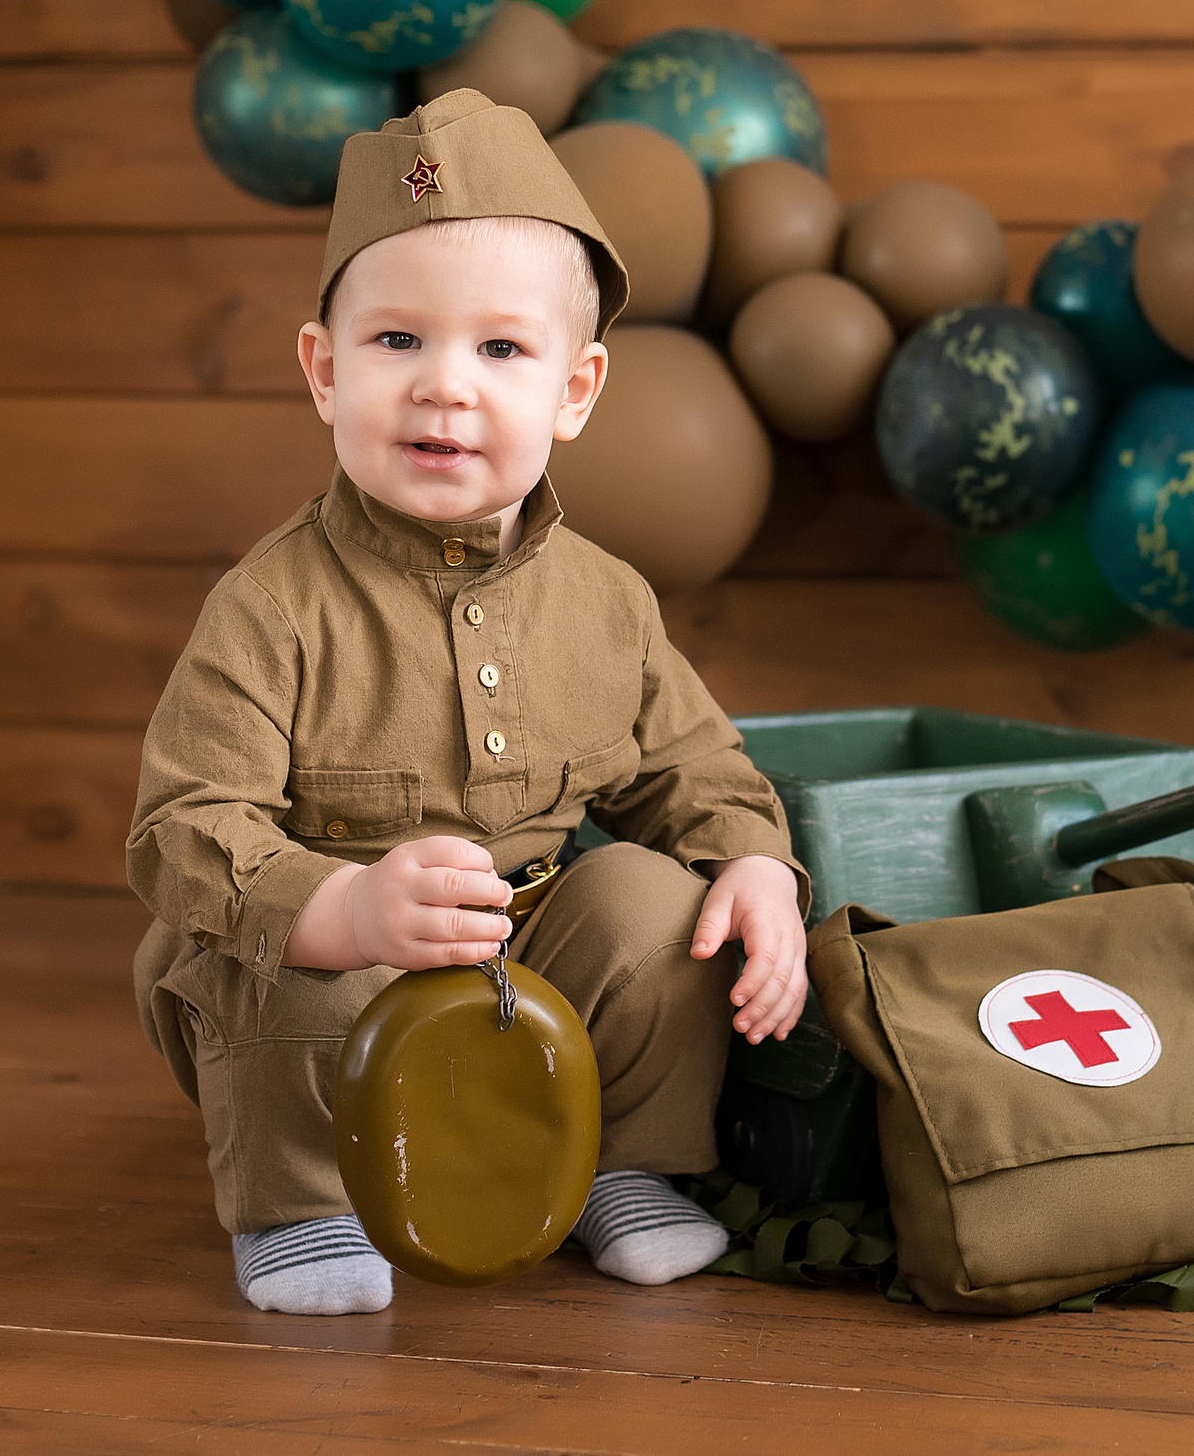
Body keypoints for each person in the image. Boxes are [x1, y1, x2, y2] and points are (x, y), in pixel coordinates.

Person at [126, 90, 810, 1316]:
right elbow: (181, 832)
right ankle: (297, 1208)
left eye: (500, 350)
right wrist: (341, 908)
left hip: (517, 953)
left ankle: (625, 1162)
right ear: (325, 372)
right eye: (397, 343)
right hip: (319, 980)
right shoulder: (272, 604)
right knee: (272, 960)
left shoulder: (606, 601)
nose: (445, 388)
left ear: (576, 388)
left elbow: (695, 771)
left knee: (660, 904)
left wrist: (756, 866)